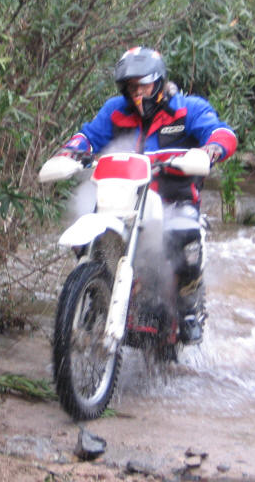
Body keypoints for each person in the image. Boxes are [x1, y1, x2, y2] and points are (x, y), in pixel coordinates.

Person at [53, 46, 237, 344]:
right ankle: (97, 292)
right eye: (131, 86)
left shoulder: (188, 109)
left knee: (184, 236)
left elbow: (221, 133)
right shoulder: (115, 110)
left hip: (174, 198)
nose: (137, 92)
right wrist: (71, 151)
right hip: (123, 195)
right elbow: (89, 135)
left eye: (143, 85)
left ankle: (188, 308)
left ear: (159, 82)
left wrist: (211, 149)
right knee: (88, 230)